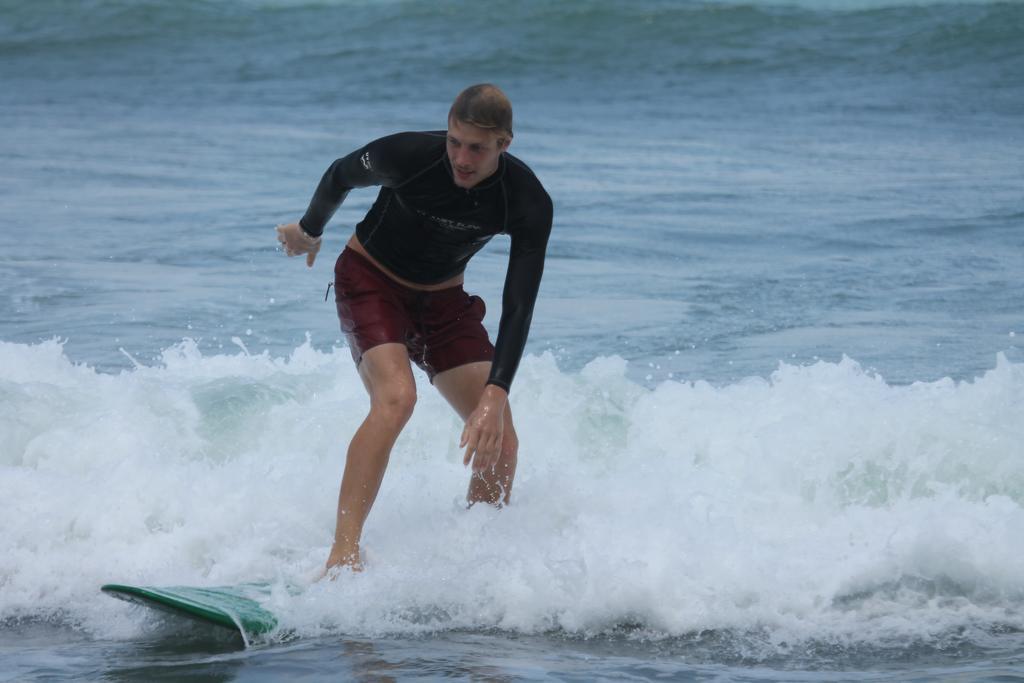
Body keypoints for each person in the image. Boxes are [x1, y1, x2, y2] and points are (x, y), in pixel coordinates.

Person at [276, 84, 553, 572]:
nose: (461, 158)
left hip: (443, 302)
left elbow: (519, 303)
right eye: (455, 141)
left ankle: (477, 562)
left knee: (500, 434)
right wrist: (310, 229)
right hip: (370, 282)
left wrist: (496, 393)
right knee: (397, 399)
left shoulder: (526, 200)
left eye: (477, 148)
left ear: (503, 145)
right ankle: (342, 558)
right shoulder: (408, 155)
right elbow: (341, 173)